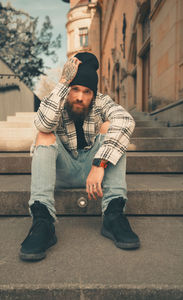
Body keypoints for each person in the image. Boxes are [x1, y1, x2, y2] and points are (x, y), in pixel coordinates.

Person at [19, 52, 140, 261]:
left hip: (93, 173)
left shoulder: (101, 102)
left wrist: (100, 163)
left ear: (93, 94)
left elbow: (126, 120)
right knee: (44, 135)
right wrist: (64, 82)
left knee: (112, 126)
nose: (80, 97)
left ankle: (113, 214)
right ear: (68, 89)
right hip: (62, 172)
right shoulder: (57, 99)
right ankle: (43, 222)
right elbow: (42, 124)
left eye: (86, 92)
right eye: (75, 89)